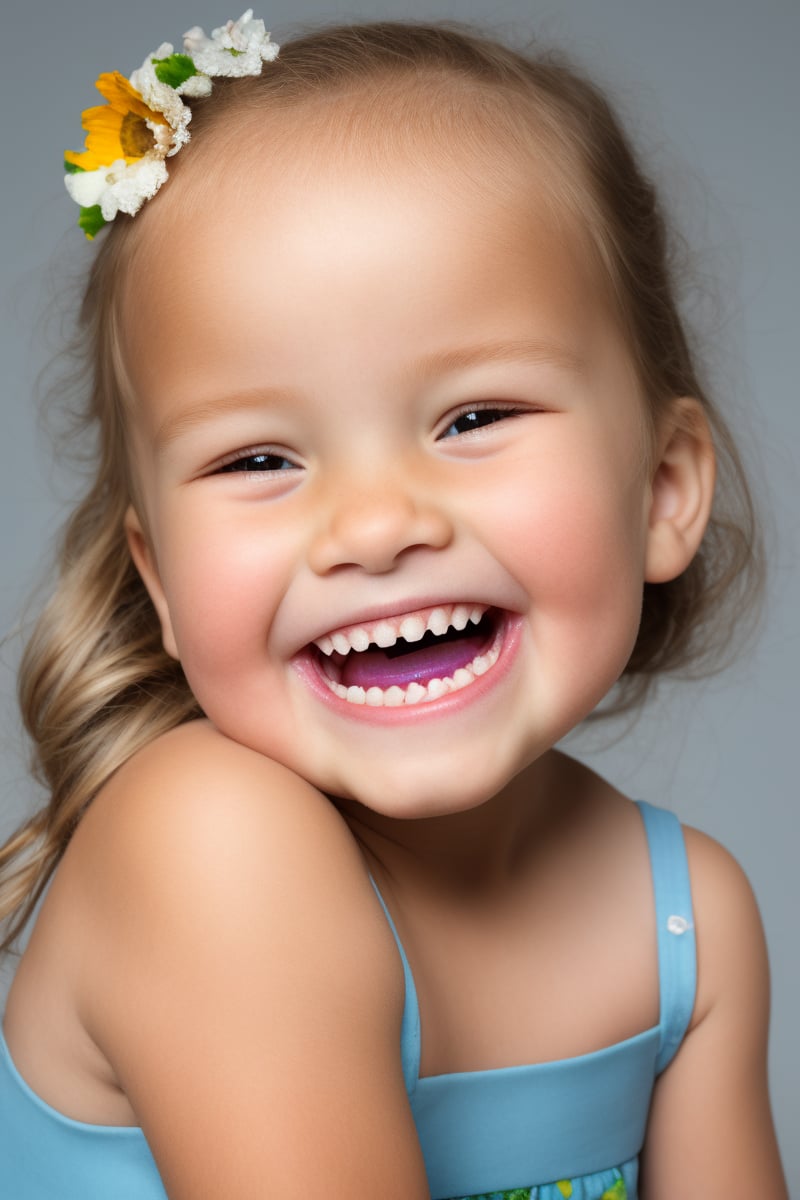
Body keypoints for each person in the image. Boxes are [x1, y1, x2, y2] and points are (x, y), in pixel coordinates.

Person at [0, 13, 788, 1199]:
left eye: (472, 419)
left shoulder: (684, 924)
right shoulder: (209, 841)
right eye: (258, 459)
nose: (374, 528)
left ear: (662, 491)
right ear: (158, 579)